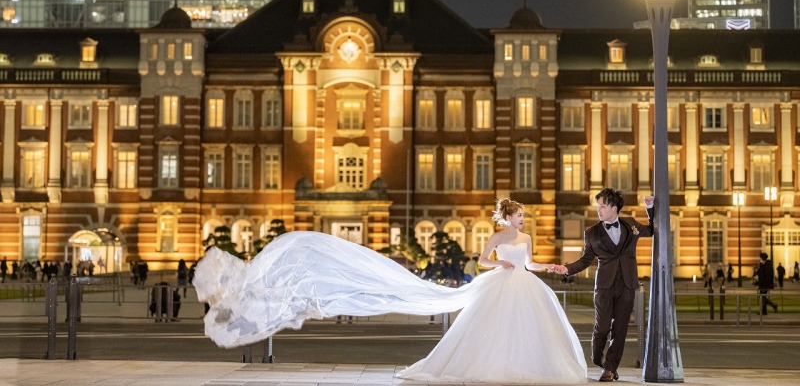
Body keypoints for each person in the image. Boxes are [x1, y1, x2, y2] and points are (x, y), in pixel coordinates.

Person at [194, 197, 587, 384]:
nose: (522, 219)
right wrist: (501, 262)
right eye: (519, 214)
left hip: (524, 285)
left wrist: (548, 265)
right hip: (502, 283)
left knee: (527, 329)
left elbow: (530, 262)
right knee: (490, 329)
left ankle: (526, 366)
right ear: (509, 216)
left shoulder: (528, 236)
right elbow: (484, 260)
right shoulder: (499, 235)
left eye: (522, 216)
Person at [552, 188, 654, 383]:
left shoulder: (631, 224)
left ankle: (609, 368)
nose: (599, 210)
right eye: (598, 206)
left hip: (627, 283)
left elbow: (652, 229)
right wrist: (566, 269)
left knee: (620, 329)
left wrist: (650, 206)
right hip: (604, 286)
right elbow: (585, 260)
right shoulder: (591, 232)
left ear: (614, 208)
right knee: (602, 327)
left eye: (603, 206)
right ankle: (598, 358)